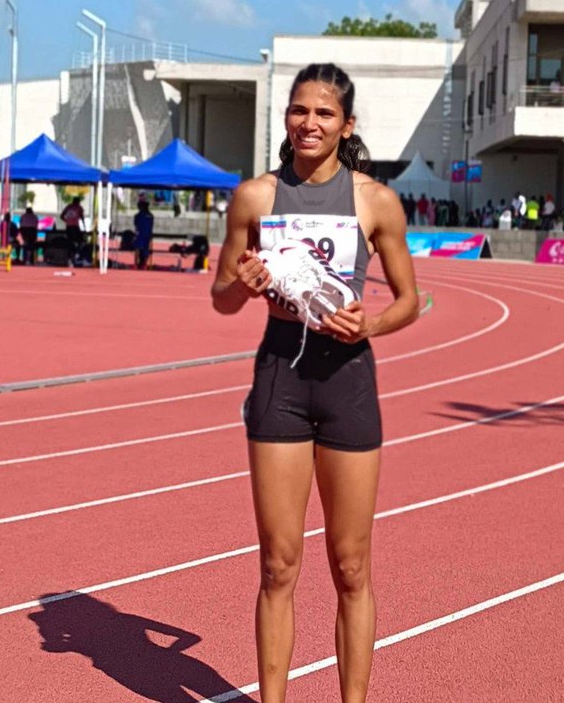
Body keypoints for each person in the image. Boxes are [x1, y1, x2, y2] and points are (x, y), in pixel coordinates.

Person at [210, 62, 418, 703]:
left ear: (346, 125)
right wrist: (240, 288)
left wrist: (371, 324)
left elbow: (411, 300)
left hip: (347, 381)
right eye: (300, 110)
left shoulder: (375, 201)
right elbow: (219, 297)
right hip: (281, 377)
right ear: (286, 118)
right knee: (278, 563)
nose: (310, 123)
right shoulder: (255, 197)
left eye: (324, 113)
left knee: (351, 566)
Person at [60, 195, 85, 265]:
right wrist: (84, 226)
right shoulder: (79, 207)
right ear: (78, 202)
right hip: (75, 226)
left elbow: (61, 216)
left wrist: (67, 221)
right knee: (81, 241)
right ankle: (76, 254)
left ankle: (70, 257)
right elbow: (82, 217)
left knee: (70, 242)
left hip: (69, 227)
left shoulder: (68, 207)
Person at [133, 198, 154, 270]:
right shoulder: (151, 216)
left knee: (138, 249)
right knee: (146, 250)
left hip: (140, 235)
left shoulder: (137, 216)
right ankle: (144, 264)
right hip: (147, 235)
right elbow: (151, 226)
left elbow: (135, 225)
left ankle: (136, 264)